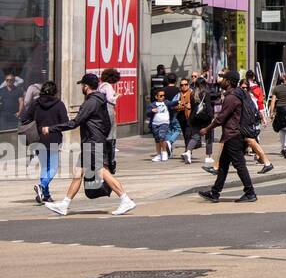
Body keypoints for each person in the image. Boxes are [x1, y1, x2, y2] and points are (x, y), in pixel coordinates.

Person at [43, 73, 136, 216]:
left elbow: (74, 123)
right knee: (78, 173)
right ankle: (65, 204)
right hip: (92, 140)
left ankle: (125, 199)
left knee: (101, 171)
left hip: (93, 142)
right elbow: (106, 122)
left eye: (82, 85)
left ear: (86, 86)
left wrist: (50, 129)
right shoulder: (100, 101)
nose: (81, 87)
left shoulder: (90, 103)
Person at [198, 71, 258, 203]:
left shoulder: (232, 98)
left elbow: (221, 118)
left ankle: (250, 192)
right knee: (224, 165)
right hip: (233, 135)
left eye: (224, 79)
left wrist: (207, 129)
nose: (221, 81)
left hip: (233, 135)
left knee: (239, 165)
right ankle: (215, 192)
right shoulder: (238, 94)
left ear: (229, 81)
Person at [20, 81, 68, 203]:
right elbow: (65, 122)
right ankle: (42, 186)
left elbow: (24, 118)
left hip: (38, 138)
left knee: (44, 167)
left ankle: (45, 195)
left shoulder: (35, 103)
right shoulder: (59, 104)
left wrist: (36, 125)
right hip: (53, 138)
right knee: (53, 167)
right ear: (54, 92)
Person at [147, 87, 172, 162]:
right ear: (156, 97)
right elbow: (147, 113)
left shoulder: (166, 102)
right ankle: (158, 155)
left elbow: (172, 103)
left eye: (163, 95)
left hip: (164, 123)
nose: (162, 97)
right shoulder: (153, 104)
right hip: (155, 124)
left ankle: (164, 152)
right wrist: (152, 110)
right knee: (157, 140)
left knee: (162, 136)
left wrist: (179, 101)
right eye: (161, 96)